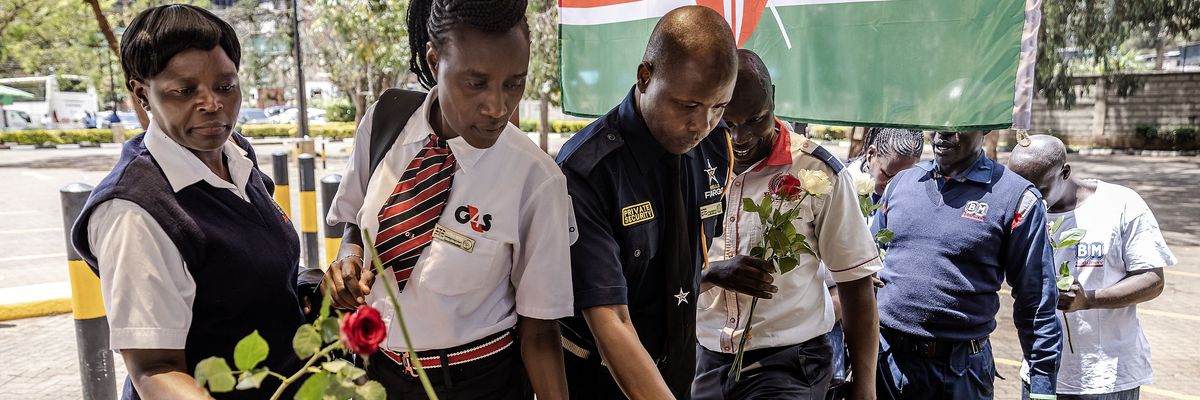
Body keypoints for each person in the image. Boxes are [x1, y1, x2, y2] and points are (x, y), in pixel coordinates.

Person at [317, 0, 573, 399]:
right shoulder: (386, 120)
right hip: (377, 376)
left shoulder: (537, 181)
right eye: (476, 83)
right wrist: (346, 259)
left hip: (476, 383)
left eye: (513, 83)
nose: (498, 107)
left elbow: (540, 334)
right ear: (434, 61)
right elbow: (355, 219)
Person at [69, 5, 304, 399]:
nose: (212, 103)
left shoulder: (235, 155)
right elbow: (154, 369)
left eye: (226, 86)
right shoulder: (135, 211)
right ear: (142, 93)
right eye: (184, 90)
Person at [555, 6, 738, 399]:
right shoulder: (587, 172)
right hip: (599, 377)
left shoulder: (715, 147)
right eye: (688, 106)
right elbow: (612, 319)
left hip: (677, 370)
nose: (701, 124)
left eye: (718, 107)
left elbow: (679, 261)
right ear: (645, 77)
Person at [693, 49, 882, 400]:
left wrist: (865, 387)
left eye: (754, 119)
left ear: (774, 99)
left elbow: (856, 284)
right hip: (706, 360)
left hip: (789, 364)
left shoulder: (818, 171)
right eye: (727, 124)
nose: (740, 137)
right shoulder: (690, 164)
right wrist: (712, 274)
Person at [871, 131, 1062, 399]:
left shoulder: (1016, 197)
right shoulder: (901, 183)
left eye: (958, 123)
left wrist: (1042, 388)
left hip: (961, 373)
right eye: (939, 120)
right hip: (888, 365)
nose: (943, 132)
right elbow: (868, 268)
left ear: (985, 127)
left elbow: (1037, 301)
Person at [1009, 135, 1176, 400]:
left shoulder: (1120, 204)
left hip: (1107, 377)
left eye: (1039, 190)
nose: (1028, 199)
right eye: (1019, 190)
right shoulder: (1020, 211)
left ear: (1064, 173)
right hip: (1041, 373)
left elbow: (1152, 280)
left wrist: (1088, 300)